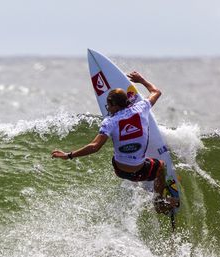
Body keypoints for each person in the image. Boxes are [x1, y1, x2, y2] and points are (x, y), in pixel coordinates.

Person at [51, 71, 178, 214]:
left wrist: (68, 155)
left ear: (114, 105)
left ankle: (149, 194)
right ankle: (158, 200)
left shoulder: (109, 122)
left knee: (120, 149)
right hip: (139, 168)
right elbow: (156, 92)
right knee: (160, 166)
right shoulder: (142, 108)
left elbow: (94, 146)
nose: (108, 109)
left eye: (108, 106)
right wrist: (141, 80)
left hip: (119, 170)